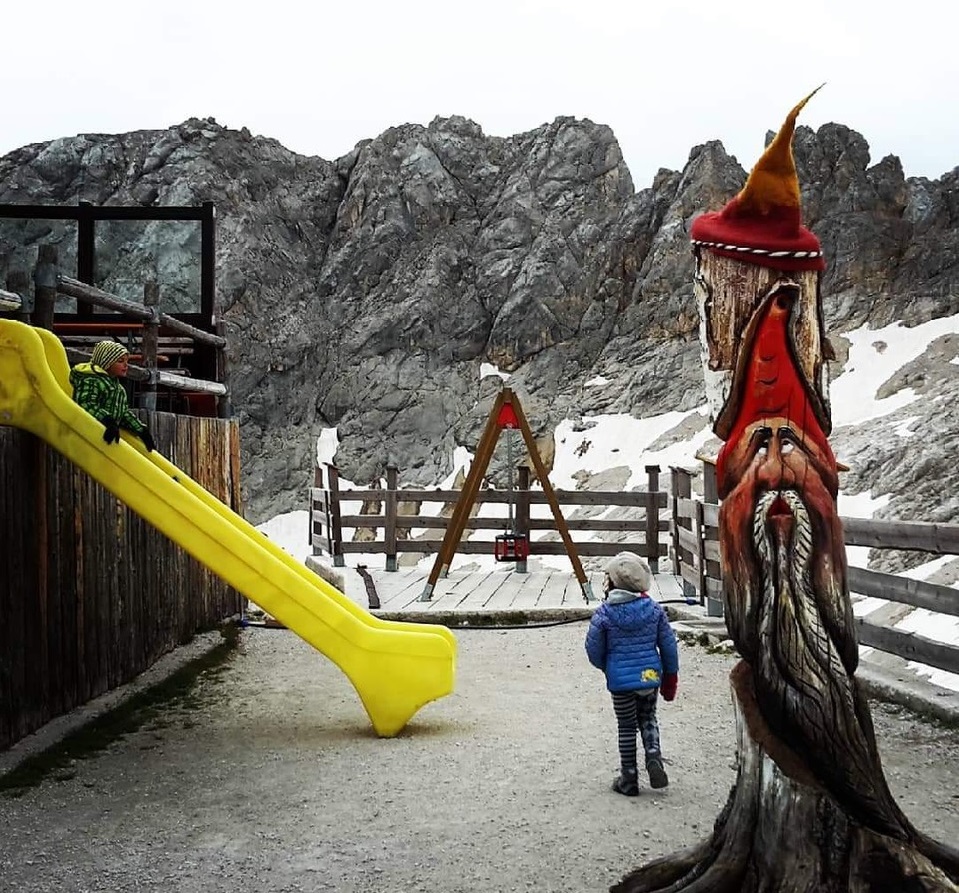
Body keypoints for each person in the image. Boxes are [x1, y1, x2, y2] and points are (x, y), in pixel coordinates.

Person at [585, 551, 679, 796]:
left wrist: (608, 667)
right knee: (648, 717)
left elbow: (593, 649)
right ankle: (653, 755)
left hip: (621, 683)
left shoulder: (604, 613)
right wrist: (670, 678)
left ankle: (628, 779)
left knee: (626, 727)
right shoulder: (654, 610)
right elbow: (669, 646)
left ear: (613, 583)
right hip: (649, 677)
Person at [70, 340, 155, 452]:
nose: (126, 365)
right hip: (87, 434)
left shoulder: (119, 389)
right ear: (106, 362)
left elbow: (123, 413)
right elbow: (85, 404)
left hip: (106, 436)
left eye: (127, 361)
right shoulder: (91, 381)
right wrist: (107, 420)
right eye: (120, 361)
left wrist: (141, 430)